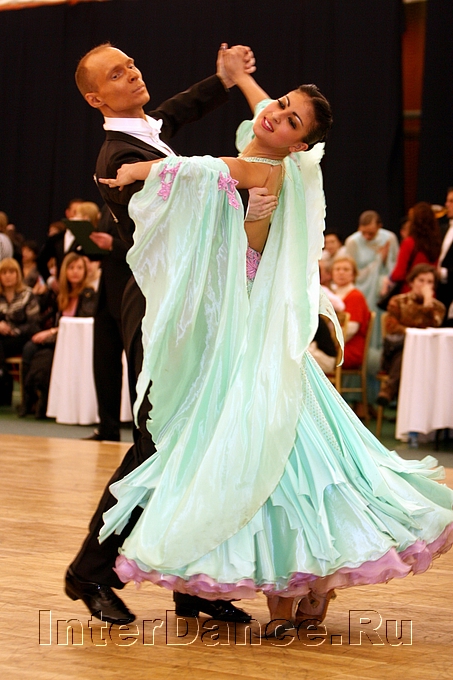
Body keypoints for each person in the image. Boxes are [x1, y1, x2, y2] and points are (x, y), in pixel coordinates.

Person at [98, 68, 453, 635]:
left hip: (255, 336)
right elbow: (260, 122)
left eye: (291, 121)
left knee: (282, 457)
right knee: (286, 458)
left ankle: (300, 590)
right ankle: (301, 594)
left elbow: (210, 169)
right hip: (245, 332)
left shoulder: (266, 167)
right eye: (281, 104)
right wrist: (244, 82)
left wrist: (143, 169)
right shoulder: (277, 154)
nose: (276, 115)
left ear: (300, 144)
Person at [65, 42, 268, 626]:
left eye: (132, 64)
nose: (133, 73)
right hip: (157, 311)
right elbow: (179, 211)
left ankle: (191, 584)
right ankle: (89, 571)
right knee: (156, 446)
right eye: (117, 73)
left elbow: (175, 112)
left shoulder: (144, 134)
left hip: (188, 305)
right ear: (95, 98)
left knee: (197, 443)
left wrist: (223, 79)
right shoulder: (117, 157)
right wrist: (245, 183)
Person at [19, 252, 98, 418]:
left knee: (45, 357)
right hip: (57, 338)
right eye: (71, 268)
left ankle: (42, 401)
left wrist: (51, 332)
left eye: (79, 268)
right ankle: (28, 398)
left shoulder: (89, 294)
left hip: (72, 342)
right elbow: (45, 317)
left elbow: (80, 323)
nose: (75, 272)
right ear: (64, 271)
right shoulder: (59, 294)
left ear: (85, 271)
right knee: (29, 348)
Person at [377, 264, 445, 407]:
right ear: (412, 282)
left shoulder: (438, 308)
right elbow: (392, 327)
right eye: (421, 280)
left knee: (415, 354)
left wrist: (428, 302)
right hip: (396, 351)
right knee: (406, 352)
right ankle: (391, 391)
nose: (425, 285)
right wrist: (413, 334)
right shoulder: (397, 301)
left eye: (429, 282)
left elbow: (435, 326)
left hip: (428, 356)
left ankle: (389, 390)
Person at [344, 210, 399, 352]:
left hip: (381, 291)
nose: (367, 237)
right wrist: (378, 261)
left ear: (379, 227)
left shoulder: (389, 238)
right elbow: (352, 271)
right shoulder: (352, 242)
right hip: (362, 289)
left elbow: (394, 267)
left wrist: (384, 260)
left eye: (371, 233)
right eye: (363, 233)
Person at [380, 202, 442, 299]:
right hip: (429, 293)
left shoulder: (409, 243)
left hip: (410, 294)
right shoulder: (436, 243)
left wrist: (388, 280)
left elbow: (399, 274)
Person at [0, 258, 40, 405]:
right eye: (4, 273)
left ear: (18, 274)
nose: (8, 276)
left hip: (23, 336)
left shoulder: (27, 294)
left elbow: (34, 323)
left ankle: (2, 373)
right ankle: (2, 372)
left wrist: (14, 330)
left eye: (11, 272)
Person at [330, 256, 371, 370]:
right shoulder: (331, 294)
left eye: (346, 269)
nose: (341, 272)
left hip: (347, 348)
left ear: (353, 275)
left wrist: (328, 342)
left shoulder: (355, 296)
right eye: (337, 269)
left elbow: (351, 329)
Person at [437, 187, 453, 324]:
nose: (446, 205)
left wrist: (442, 272)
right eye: (447, 201)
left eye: (451, 201)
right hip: (440, 292)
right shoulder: (444, 229)